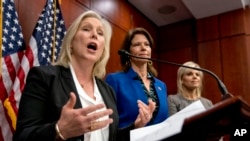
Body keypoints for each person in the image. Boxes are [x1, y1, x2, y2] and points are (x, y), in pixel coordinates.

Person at [13, 10, 152, 141]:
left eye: (100, 33)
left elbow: (110, 136)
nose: (94, 35)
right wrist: (59, 130)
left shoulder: (107, 90)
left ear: (103, 49)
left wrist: (135, 126)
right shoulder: (44, 77)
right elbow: (22, 136)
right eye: (86, 29)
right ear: (71, 42)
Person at [105, 27, 169, 129]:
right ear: (127, 52)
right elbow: (109, 124)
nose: (143, 48)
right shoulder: (115, 80)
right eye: (137, 44)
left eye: (147, 44)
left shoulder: (161, 85)